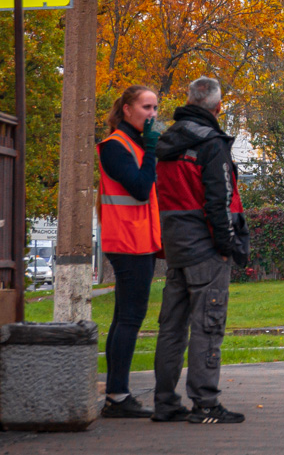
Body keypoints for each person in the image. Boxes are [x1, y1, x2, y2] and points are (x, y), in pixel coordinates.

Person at [152, 76, 249, 425]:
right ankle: (205, 403)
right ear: (218, 106)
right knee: (208, 325)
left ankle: (164, 402)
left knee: (172, 327)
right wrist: (228, 247)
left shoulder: (166, 143)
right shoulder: (212, 145)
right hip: (205, 248)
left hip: (175, 245)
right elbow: (219, 202)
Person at [97, 85, 163, 419]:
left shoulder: (134, 144)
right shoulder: (114, 147)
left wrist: (151, 147)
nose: (152, 114)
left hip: (139, 242)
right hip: (127, 243)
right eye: (146, 107)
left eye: (155, 108)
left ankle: (116, 393)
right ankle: (118, 395)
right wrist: (151, 149)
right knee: (130, 318)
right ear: (126, 109)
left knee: (124, 317)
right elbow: (139, 189)